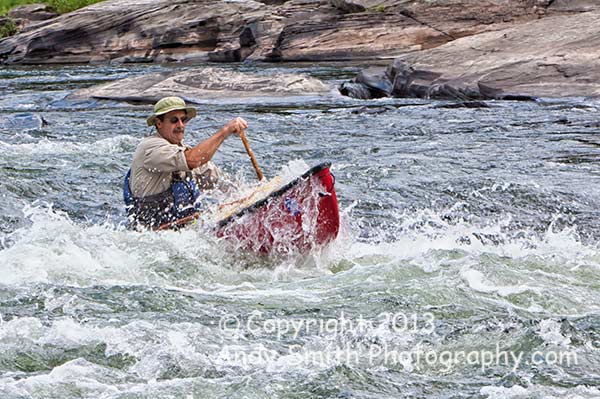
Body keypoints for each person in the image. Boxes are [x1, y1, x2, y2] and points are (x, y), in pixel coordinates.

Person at [123, 96, 248, 229]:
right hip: (150, 234)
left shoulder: (182, 149)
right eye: (174, 120)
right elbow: (193, 160)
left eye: (184, 120)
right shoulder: (150, 148)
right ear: (159, 123)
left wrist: (246, 196)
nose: (180, 125)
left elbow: (217, 181)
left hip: (183, 230)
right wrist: (225, 131)